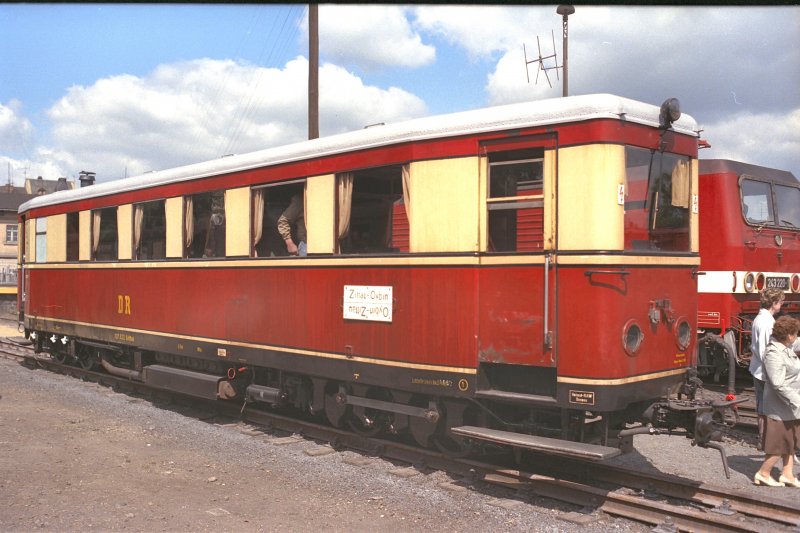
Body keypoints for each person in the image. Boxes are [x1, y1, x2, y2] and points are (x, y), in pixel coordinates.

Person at [754, 316, 800, 487]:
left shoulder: (786, 346)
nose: (797, 336)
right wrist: (798, 400)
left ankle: (787, 474)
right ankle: (763, 473)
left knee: (791, 441)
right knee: (779, 445)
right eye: (795, 334)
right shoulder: (774, 353)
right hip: (780, 406)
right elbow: (778, 384)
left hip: (790, 406)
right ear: (789, 335)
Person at [750, 288, 785, 447]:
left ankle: (764, 440)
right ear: (774, 303)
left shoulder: (763, 319)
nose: (782, 304)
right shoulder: (765, 322)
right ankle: (765, 441)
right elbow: (766, 351)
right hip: (764, 372)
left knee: (763, 407)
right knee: (767, 408)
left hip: (760, 370)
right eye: (780, 301)